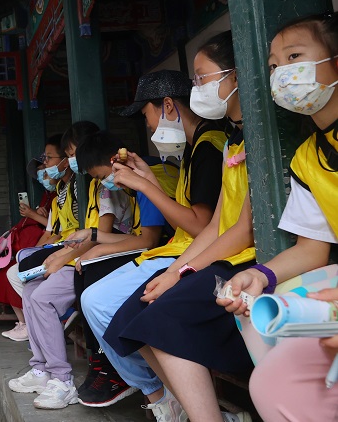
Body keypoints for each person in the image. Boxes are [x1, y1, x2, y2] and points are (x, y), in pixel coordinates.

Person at [103, 30, 254, 422]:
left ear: (238, 75)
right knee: (130, 317)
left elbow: (236, 230)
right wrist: (174, 271)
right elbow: (216, 224)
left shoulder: (233, 141)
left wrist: (181, 271)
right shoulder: (231, 142)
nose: (196, 88)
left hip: (243, 261)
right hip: (214, 255)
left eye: (202, 78)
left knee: (158, 319)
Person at [79, 69, 226, 411]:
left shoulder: (210, 146)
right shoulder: (196, 147)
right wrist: (148, 179)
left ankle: (165, 397)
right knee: (101, 302)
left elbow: (201, 226)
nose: (147, 125)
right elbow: (183, 218)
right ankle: (167, 398)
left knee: (105, 304)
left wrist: (144, 185)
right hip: (184, 248)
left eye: (146, 114)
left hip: (201, 253)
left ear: (167, 105)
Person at [216, 12, 338, 421]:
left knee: (275, 383)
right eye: (273, 66)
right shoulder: (307, 158)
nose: (282, 73)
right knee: (256, 308)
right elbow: (312, 249)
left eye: (294, 57)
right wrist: (259, 275)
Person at [8, 120, 111, 410]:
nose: (69, 160)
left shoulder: (102, 184)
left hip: (92, 259)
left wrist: (61, 256)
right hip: (74, 255)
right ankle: (41, 368)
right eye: (67, 154)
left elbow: (99, 235)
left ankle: (62, 379)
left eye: (72, 153)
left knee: (41, 297)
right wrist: (55, 255)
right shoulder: (79, 186)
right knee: (30, 292)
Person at [66, 130, 172, 406]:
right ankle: (102, 361)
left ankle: (118, 371)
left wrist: (99, 247)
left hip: (172, 254)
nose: (104, 183)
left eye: (103, 176)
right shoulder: (134, 180)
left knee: (94, 277)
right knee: (87, 271)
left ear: (116, 159)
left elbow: (149, 241)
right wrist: (94, 238)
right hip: (162, 251)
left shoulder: (147, 177)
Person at [0, 148, 53, 341]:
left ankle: (32, 324)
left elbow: (56, 229)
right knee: (9, 273)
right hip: (40, 245)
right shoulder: (48, 194)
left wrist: (32, 215)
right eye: (40, 172)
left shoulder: (64, 193)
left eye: (45, 169)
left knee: (15, 273)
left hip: (57, 248)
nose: (43, 175)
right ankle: (26, 323)